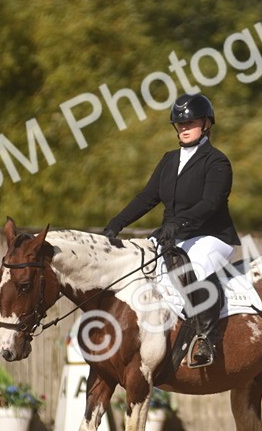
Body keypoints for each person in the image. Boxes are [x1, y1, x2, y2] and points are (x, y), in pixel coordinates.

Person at [102, 93, 239, 367]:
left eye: (191, 123)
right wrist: (116, 224)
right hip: (173, 234)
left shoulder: (217, 162)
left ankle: (205, 339)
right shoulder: (168, 160)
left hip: (211, 236)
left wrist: (178, 224)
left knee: (195, 268)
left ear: (206, 124)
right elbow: (146, 198)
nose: (184, 128)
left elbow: (210, 203)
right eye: (180, 124)